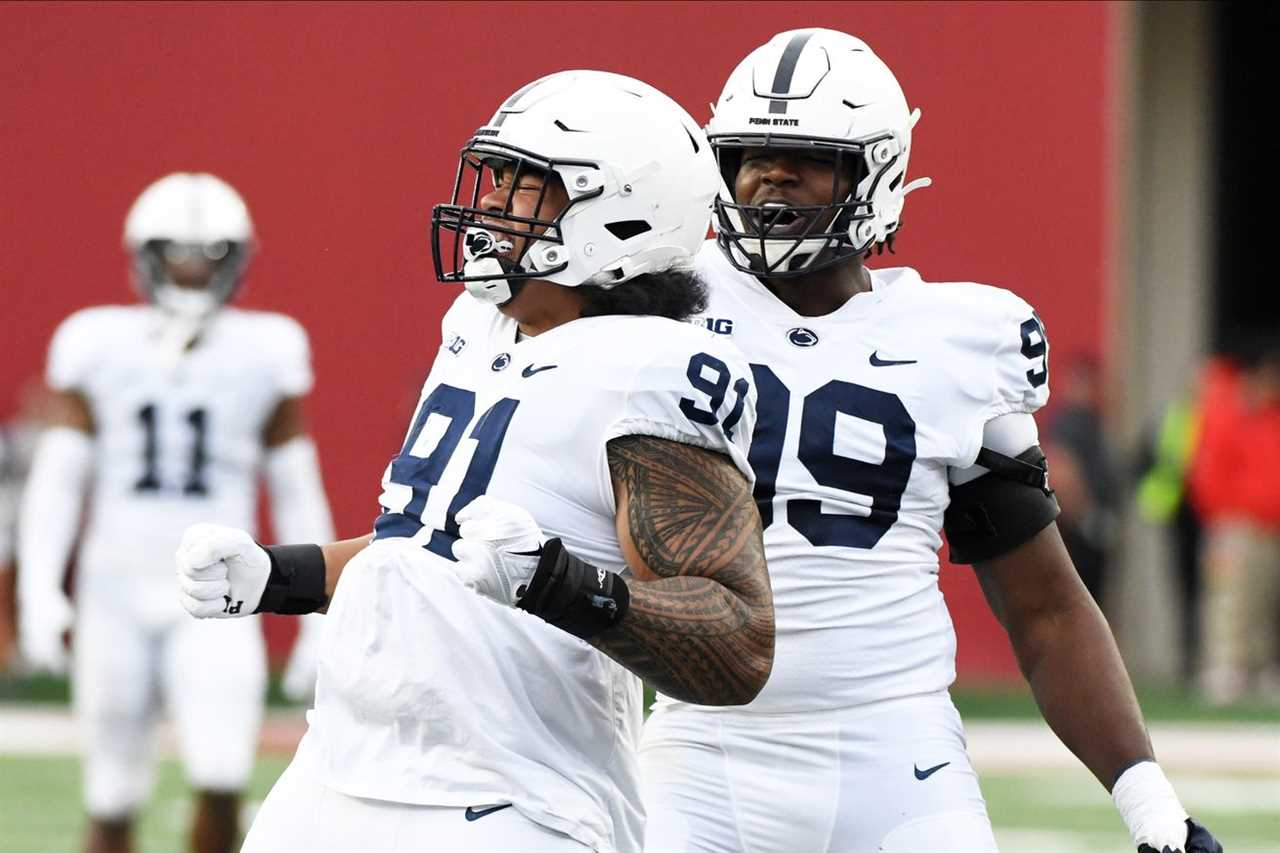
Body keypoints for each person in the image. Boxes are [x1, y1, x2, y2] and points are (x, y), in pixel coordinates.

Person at [638, 29, 1223, 853]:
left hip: (899, 755)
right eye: (750, 154)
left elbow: (1045, 608)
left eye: (804, 156)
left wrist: (1152, 806)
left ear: (874, 173)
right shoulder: (663, 308)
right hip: (705, 754)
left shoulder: (959, 339)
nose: (769, 176)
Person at [175, 70, 773, 853]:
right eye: (496, 177)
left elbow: (736, 645)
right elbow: (425, 551)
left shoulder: (653, 368)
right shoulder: (478, 324)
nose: (489, 203)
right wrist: (278, 575)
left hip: (507, 798)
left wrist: (558, 582)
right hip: (337, 765)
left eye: (528, 186)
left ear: (624, 214)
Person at [17, 172, 334, 853]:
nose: (192, 271)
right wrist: (39, 586)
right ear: (145, 255)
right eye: (179, 254)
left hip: (218, 589)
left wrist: (316, 602)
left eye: (210, 256)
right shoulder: (95, 340)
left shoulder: (268, 347)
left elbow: (294, 484)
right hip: (114, 586)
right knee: (111, 790)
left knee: (222, 774)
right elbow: (59, 479)